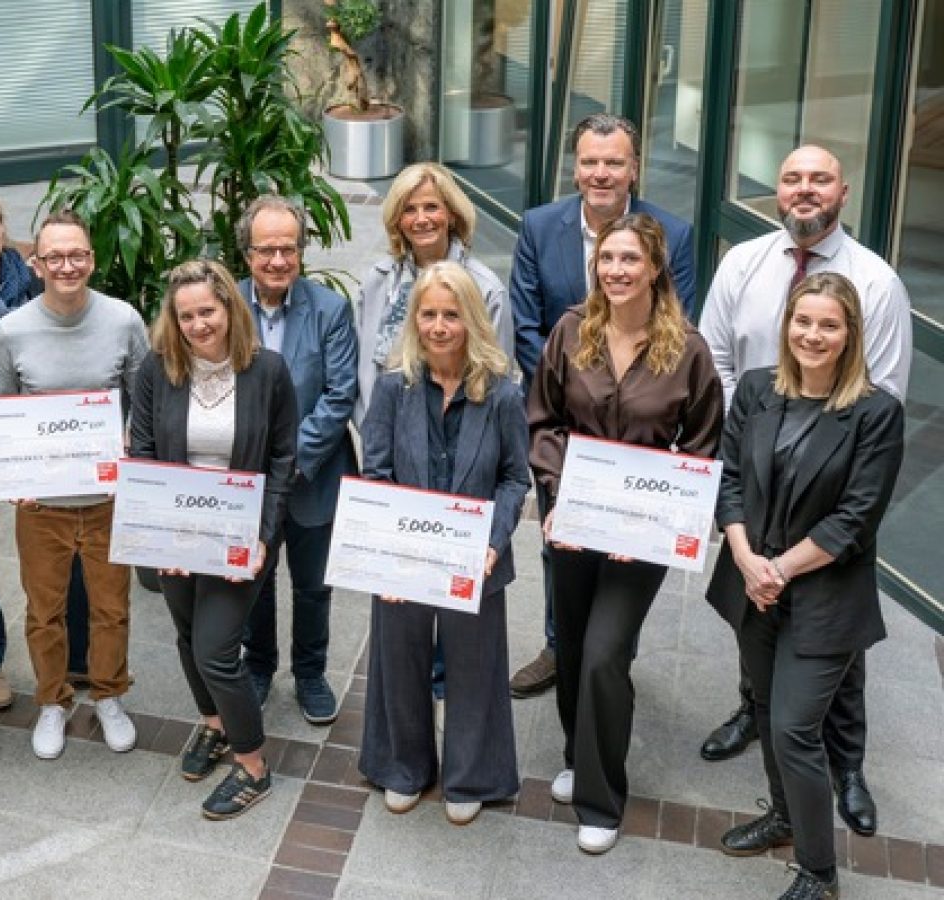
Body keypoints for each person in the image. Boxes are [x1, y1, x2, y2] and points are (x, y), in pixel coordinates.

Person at [696, 146, 911, 837]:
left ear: (843, 192)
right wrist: (751, 431)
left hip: (828, 514)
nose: (804, 190)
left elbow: (883, 405)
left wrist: (792, 549)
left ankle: (846, 768)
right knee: (763, 661)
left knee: (831, 673)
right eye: (791, 178)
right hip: (761, 491)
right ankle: (761, 729)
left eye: (819, 179)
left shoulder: (875, 283)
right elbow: (718, 361)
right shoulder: (744, 263)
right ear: (777, 190)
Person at [529, 212, 723, 855]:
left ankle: (601, 797)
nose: (615, 270)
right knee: (575, 645)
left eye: (629, 260)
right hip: (576, 521)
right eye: (607, 259)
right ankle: (577, 751)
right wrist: (556, 499)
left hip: (641, 534)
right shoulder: (570, 330)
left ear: (655, 268)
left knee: (608, 653)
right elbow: (545, 421)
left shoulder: (686, 349)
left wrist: (659, 526)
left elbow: (699, 450)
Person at [708, 273, 904, 900]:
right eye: (803, 321)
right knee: (766, 710)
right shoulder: (759, 390)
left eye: (829, 325)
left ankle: (819, 871)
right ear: (786, 323)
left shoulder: (876, 412)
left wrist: (779, 569)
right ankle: (785, 820)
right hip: (753, 585)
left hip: (823, 596)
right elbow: (729, 477)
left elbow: (855, 517)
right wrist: (745, 557)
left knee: (795, 728)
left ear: (850, 335)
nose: (812, 335)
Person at [507, 113, 698, 700]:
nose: (601, 173)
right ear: (575, 166)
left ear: (634, 167)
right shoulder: (540, 226)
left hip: (637, 442)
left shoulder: (675, 234)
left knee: (625, 552)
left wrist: (623, 400)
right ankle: (560, 646)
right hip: (562, 430)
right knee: (559, 542)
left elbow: (674, 333)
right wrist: (577, 396)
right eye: (590, 161)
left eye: (614, 161)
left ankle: (610, 657)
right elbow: (525, 328)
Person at [356, 262, 530, 826]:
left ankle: (471, 775)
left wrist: (495, 543)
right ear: (414, 319)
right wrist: (387, 550)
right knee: (398, 659)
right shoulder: (392, 387)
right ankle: (403, 766)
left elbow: (514, 478)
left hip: (475, 558)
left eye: (451, 315)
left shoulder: (502, 394)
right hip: (403, 556)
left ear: (472, 319)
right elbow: (376, 472)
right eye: (428, 314)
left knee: (475, 666)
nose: (438, 326)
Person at [131, 259, 297, 819]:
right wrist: (159, 540)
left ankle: (253, 765)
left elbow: (281, 459)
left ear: (230, 307)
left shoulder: (268, 371)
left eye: (207, 311)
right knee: (185, 635)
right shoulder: (157, 371)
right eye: (186, 316)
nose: (198, 324)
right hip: (176, 534)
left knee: (216, 650)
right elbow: (145, 454)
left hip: (238, 538)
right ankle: (214, 726)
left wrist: (262, 538)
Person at [0, 209, 150, 760]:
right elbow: (4, 413)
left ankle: (109, 695)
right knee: (44, 611)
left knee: (112, 608)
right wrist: (13, 479)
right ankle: (53, 701)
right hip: (42, 506)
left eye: (77, 255)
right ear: (36, 265)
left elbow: (144, 404)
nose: (67, 265)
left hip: (108, 500)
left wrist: (134, 456)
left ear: (93, 259)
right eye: (54, 256)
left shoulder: (125, 320)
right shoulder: (10, 331)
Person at [0, 185, 91, 711]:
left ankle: (76, 654)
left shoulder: (31, 277)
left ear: (2, 226)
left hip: (38, 428)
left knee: (65, 533)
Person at [237, 195, 359, 725]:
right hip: (245, 482)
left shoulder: (330, 309)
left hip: (314, 478)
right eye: (267, 250)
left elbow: (338, 397)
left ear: (302, 252)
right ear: (246, 255)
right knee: (254, 583)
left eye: (289, 249)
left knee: (313, 586)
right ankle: (259, 666)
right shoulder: (226, 308)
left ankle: (310, 673)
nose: (279, 261)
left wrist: (284, 466)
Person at [356, 161, 513, 416]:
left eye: (431, 207)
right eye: (409, 210)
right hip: (383, 440)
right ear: (397, 220)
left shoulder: (486, 289)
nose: (421, 219)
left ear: (452, 214)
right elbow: (362, 374)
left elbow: (496, 381)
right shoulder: (377, 282)